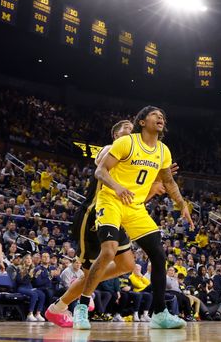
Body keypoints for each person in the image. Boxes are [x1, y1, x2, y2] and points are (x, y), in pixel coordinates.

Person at [74, 106, 193, 330]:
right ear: (141, 122)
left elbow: (168, 182)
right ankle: (81, 307)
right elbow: (100, 171)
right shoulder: (127, 142)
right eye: (155, 114)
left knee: (158, 256)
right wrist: (118, 188)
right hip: (111, 200)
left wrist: (181, 204)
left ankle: (159, 313)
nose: (160, 117)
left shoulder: (163, 151)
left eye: (162, 116)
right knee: (109, 250)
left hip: (135, 207)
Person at [45, 119, 168, 327]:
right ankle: (66, 305)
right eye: (126, 130)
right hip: (93, 215)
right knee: (92, 270)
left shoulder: (134, 162)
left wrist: (153, 186)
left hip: (117, 215)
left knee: (127, 264)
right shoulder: (110, 149)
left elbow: (132, 198)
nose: (131, 133)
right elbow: (100, 164)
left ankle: (74, 296)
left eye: (133, 130)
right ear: (116, 135)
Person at [15, 253, 46, 322]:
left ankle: (38, 314)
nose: (29, 260)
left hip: (30, 287)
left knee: (42, 294)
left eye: (30, 259)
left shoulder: (33, 269)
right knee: (34, 294)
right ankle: (30, 314)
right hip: (21, 287)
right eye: (27, 258)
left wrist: (35, 276)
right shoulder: (19, 268)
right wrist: (29, 275)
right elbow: (20, 281)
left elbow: (33, 282)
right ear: (24, 260)